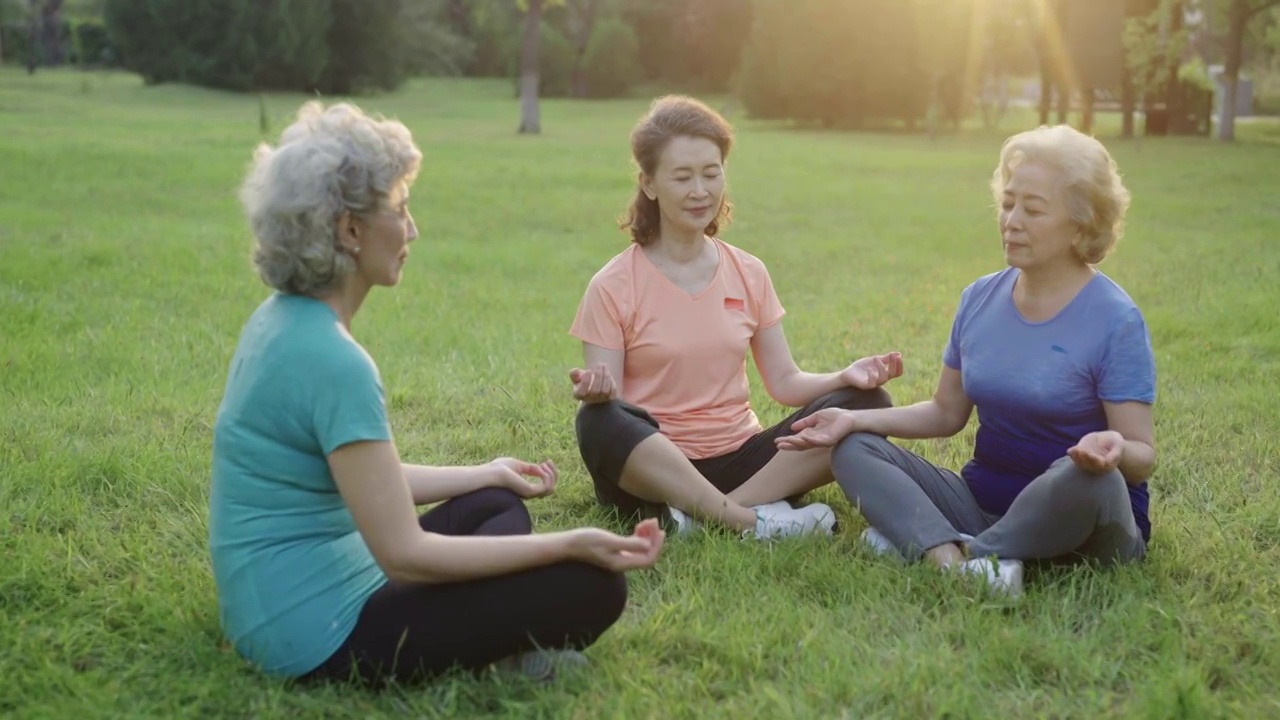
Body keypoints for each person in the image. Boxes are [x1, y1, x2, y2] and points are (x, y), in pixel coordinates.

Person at [208, 101, 664, 688]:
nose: (413, 228)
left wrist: (486, 472)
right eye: (399, 209)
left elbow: (367, 479)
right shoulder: (333, 361)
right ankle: (496, 659)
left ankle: (491, 637)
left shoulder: (280, 321)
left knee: (496, 505)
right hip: (316, 640)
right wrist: (568, 543)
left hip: (284, 605)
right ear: (350, 230)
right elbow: (406, 554)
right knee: (594, 583)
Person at [777, 124, 1157, 597]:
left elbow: (1143, 459)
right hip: (983, 500)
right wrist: (852, 421)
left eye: (1033, 209)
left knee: (1085, 477)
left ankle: (951, 549)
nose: (1011, 220)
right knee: (854, 448)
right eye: (1007, 203)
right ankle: (953, 562)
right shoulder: (979, 299)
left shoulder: (1115, 319)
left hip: (1085, 519)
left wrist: (1114, 448)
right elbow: (945, 413)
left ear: (1081, 223)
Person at [568, 95, 900, 539]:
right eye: (682, 177)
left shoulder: (748, 272)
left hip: (743, 460)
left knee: (868, 406)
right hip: (655, 467)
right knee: (597, 421)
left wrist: (845, 375)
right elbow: (610, 401)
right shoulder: (612, 285)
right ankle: (752, 522)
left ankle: (706, 515)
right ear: (648, 183)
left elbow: (784, 382)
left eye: (711, 172)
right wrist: (598, 391)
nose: (700, 191)